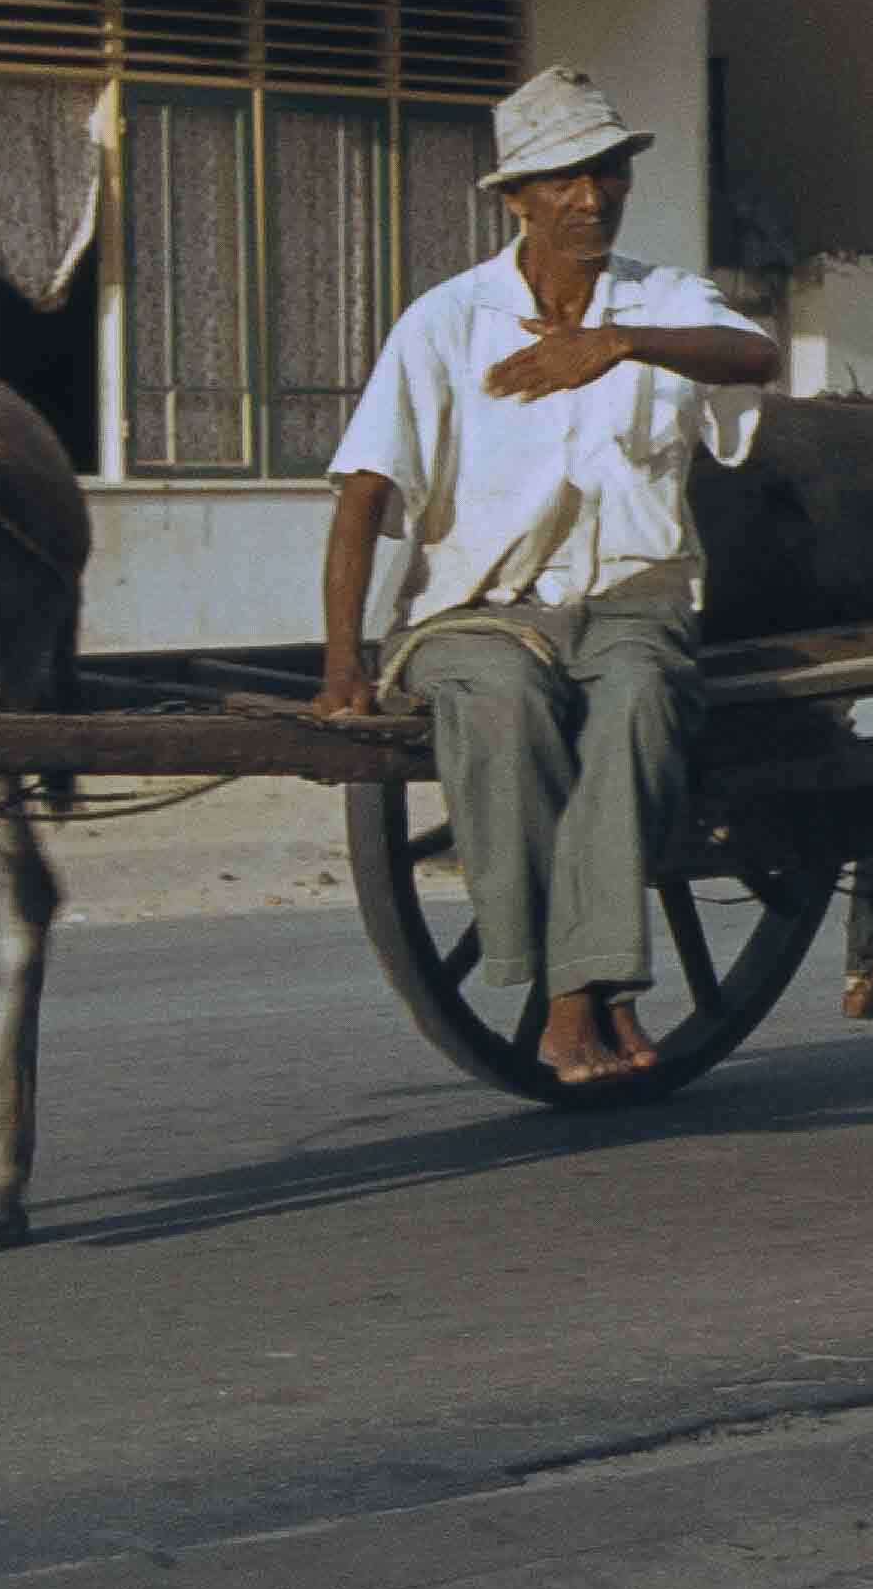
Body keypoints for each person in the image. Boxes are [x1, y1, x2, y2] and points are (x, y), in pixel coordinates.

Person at [310, 67, 783, 1084]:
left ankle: (576, 996)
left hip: (632, 597)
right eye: (563, 180)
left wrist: (615, 344)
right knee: (504, 707)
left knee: (642, 705)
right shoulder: (445, 321)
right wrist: (342, 660)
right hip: (474, 613)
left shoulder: (664, 299)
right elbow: (363, 491)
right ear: (515, 199)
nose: (590, 198)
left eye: (606, 173)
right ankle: (565, 978)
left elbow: (756, 358)